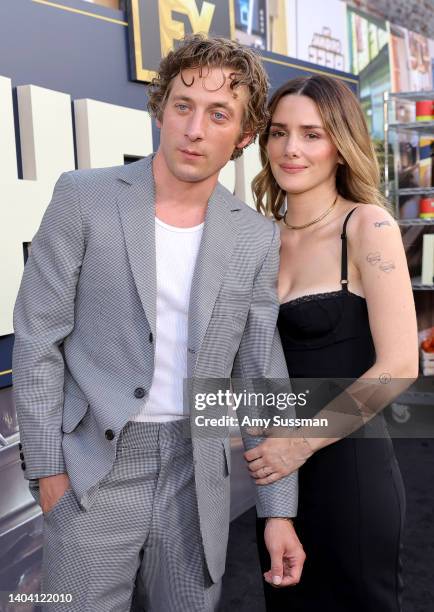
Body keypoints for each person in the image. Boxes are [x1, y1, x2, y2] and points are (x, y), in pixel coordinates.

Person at [12, 35, 305, 611]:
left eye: (218, 114)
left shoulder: (254, 236)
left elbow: (259, 380)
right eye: (182, 106)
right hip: (91, 474)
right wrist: (48, 473)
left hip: (196, 481)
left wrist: (278, 512)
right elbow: (37, 338)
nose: (194, 129)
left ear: (244, 136)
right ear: (161, 110)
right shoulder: (83, 198)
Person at [246, 75, 419, 611]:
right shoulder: (255, 238)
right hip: (277, 483)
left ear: (340, 145)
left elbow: (398, 365)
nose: (291, 149)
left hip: (349, 475)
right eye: (278, 132)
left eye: (311, 134)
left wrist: (299, 444)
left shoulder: (366, 226)